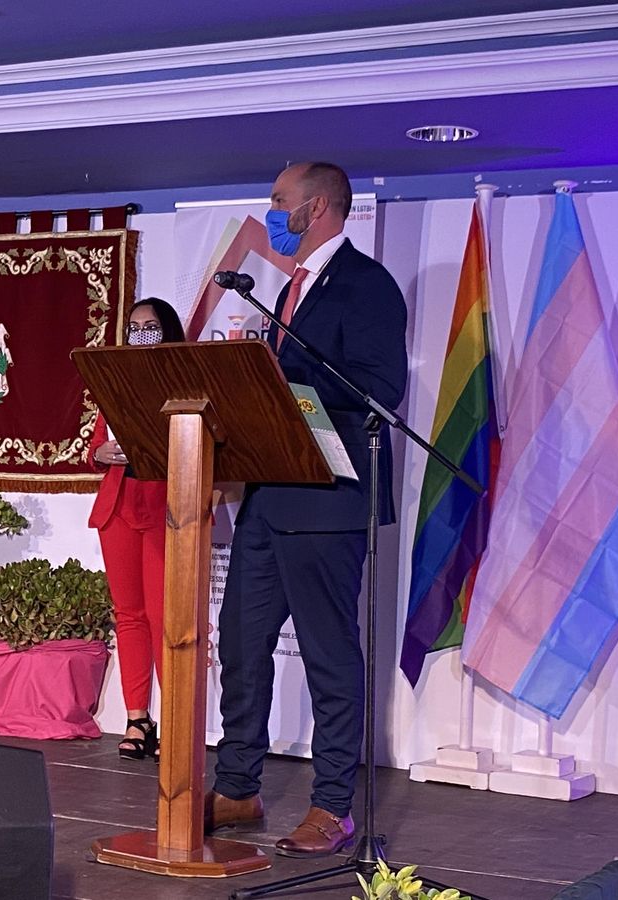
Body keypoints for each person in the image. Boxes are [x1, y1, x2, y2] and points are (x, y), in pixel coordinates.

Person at [205, 163, 409, 856]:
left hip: (326, 502)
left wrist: (288, 374)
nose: (274, 215)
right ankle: (237, 788)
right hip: (267, 496)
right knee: (240, 644)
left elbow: (383, 390)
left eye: (280, 203)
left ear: (317, 207)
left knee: (329, 658)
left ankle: (331, 807)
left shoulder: (366, 285)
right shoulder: (286, 290)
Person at [88, 297, 186, 760]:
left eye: (150, 326)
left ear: (167, 331)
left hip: (167, 505)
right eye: (133, 326)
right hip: (120, 505)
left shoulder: (185, 376)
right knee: (128, 615)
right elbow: (96, 442)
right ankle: (136, 718)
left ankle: (177, 725)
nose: (140, 333)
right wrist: (100, 454)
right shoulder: (114, 377)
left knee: (165, 618)